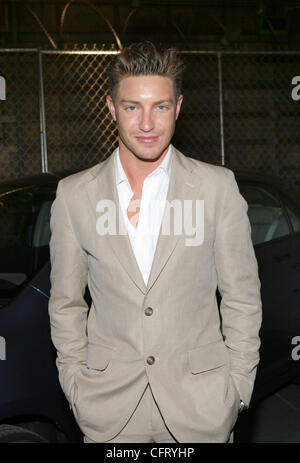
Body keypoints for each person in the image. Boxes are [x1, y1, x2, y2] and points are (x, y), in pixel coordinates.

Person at [48, 41, 262, 443]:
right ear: (111, 108)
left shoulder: (217, 188)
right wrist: (76, 386)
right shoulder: (74, 195)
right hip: (109, 413)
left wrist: (237, 392)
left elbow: (242, 299)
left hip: (201, 410)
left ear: (178, 107)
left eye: (160, 107)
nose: (147, 123)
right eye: (132, 107)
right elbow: (66, 303)